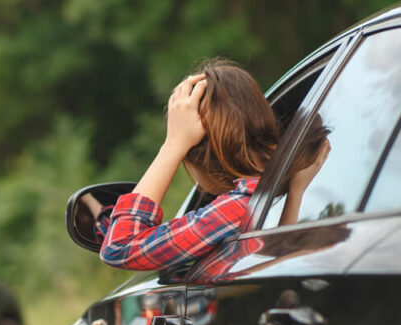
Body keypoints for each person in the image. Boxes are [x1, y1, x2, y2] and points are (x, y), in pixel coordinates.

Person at [98, 59, 330, 271]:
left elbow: (120, 247)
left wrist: (173, 145)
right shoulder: (266, 197)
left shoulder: (237, 208)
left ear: (197, 158)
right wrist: (296, 193)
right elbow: (277, 262)